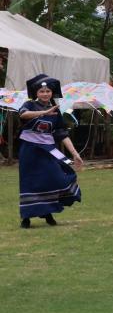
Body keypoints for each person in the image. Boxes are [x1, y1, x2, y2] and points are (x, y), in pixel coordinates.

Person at [17, 74, 83, 228]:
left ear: (52, 93)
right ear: (36, 93)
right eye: (42, 91)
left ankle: (47, 212)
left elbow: (62, 134)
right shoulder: (30, 105)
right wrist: (44, 113)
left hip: (48, 151)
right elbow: (23, 114)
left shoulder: (55, 111)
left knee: (55, 177)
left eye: (48, 91)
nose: (45, 94)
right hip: (29, 151)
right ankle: (26, 217)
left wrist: (75, 154)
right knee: (30, 181)